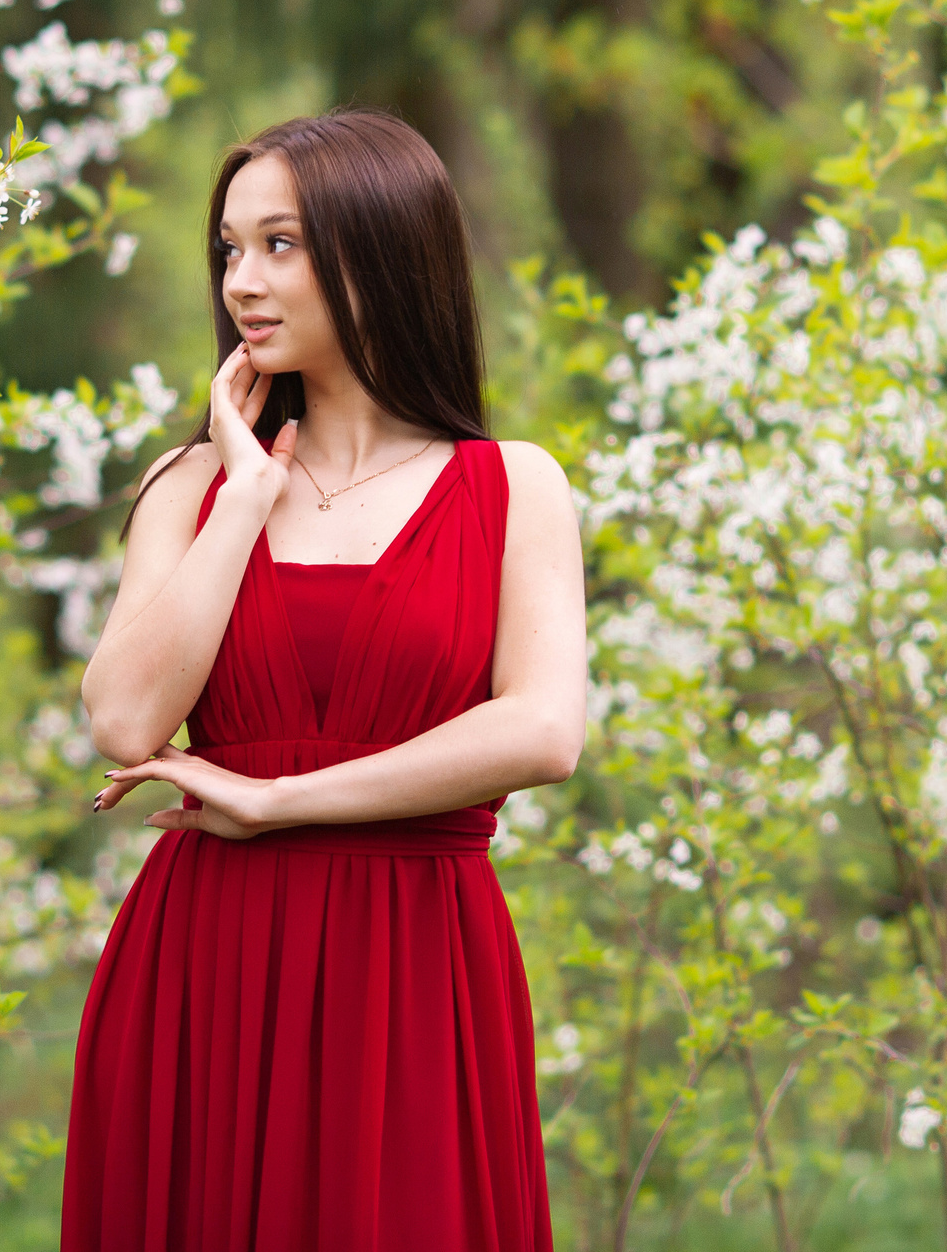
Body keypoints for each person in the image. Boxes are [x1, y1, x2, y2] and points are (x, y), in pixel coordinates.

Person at [62, 107, 587, 1251]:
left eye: (281, 244)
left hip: (414, 964)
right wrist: (240, 499)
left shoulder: (514, 487)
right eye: (229, 250)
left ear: (384, 249)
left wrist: (276, 799)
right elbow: (123, 716)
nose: (243, 281)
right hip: (207, 960)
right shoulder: (191, 486)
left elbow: (544, 731)